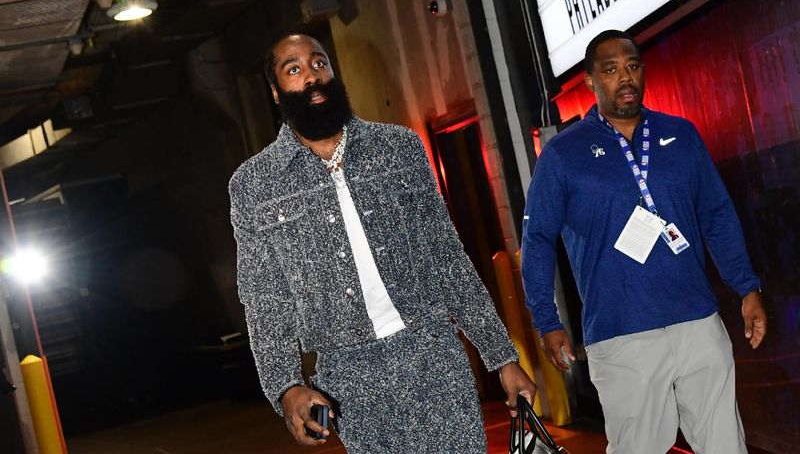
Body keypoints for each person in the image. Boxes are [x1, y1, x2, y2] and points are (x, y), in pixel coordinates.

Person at [229, 34, 535, 452]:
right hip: (349, 379)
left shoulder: (397, 148)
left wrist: (501, 356)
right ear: (276, 92)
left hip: (433, 353)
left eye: (319, 63)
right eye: (294, 70)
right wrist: (285, 387)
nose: (312, 77)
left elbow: (447, 258)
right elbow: (265, 299)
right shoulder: (255, 184)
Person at [521, 29, 767, 454]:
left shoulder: (681, 135)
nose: (625, 78)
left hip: (697, 321)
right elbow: (538, 238)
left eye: (633, 66)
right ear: (590, 80)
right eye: (611, 70)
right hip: (621, 333)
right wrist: (547, 320)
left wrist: (746, 287)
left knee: (726, 444)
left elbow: (716, 214)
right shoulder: (563, 154)